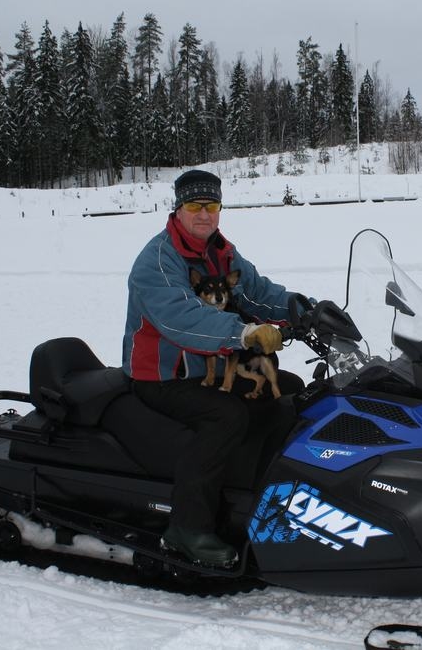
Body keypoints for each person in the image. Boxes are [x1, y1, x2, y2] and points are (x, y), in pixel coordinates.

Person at [122, 168, 307, 567]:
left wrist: (301, 309)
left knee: (289, 390)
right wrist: (245, 333)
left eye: (212, 205)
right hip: (163, 374)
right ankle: (188, 527)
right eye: (195, 205)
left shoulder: (220, 250)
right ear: (178, 208)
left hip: (208, 367)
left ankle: (255, 498)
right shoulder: (158, 260)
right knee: (225, 416)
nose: (204, 214)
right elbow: (181, 319)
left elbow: (257, 292)